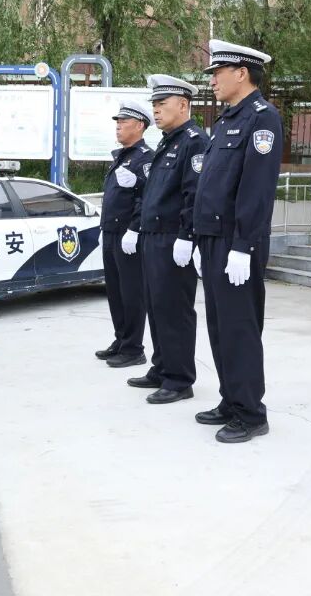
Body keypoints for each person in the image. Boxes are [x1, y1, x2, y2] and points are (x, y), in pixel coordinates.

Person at [193, 39, 282, 443]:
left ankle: (250, 413)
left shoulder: (262, 119)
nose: (212, 80)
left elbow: (256, 190)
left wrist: (243, 246)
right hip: (215, 240)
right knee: (220, 327)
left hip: (237, 242)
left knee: (240, 328)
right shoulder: (228, 120)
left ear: (241, 73)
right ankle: (231, 399)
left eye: (218, 73)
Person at [127, 75, 210, 404]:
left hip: (172, 239)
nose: (156, 111)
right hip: (153, 238)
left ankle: (179, 379)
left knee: (174, 309)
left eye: (162, 104)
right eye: (155, 105)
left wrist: (187, 236)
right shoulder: (167, 142)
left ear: (183, 105)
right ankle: (162, 367)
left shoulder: (194, 141)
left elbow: (195, 193)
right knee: (156, 305)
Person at [96, 99, 155, 369]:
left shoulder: (145, 158)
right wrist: (105, 228)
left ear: (139, 125)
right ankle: (121, 339)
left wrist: (134, 229)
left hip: (129, 234)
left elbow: (147, 198)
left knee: (131, 292)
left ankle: (133, 348)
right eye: (117, 122)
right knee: (115, 291)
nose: (118, 126)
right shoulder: (121, 156)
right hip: (111, 231)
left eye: (124, 122)